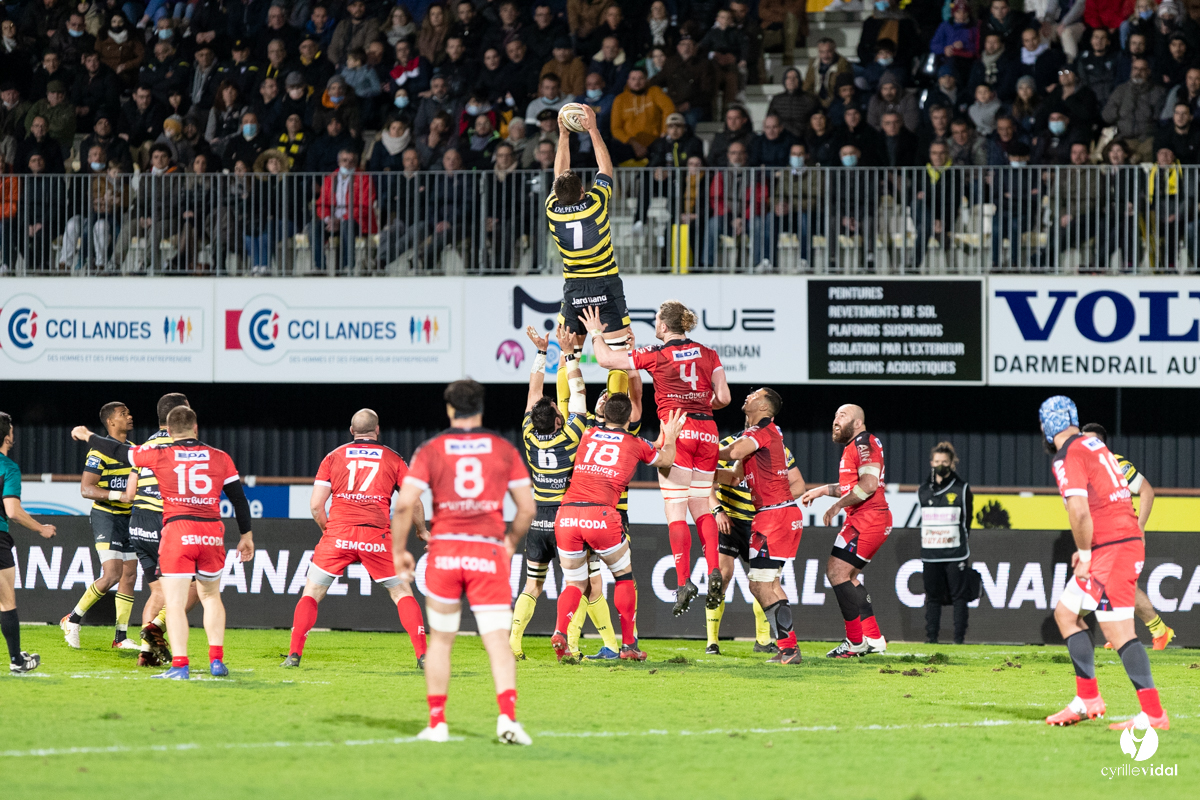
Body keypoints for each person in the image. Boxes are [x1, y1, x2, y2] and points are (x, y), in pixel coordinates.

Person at [392, 379, 535, 745]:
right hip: (485, 552)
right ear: (481, 407)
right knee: (497, 641)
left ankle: (437, 723)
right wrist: (509, 543)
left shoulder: (431, 448)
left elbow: (405, 503)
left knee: (440, 641)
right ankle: (507, 719)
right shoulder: (503, 449)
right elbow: (527, 508)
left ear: (450, 409)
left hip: (444, 553)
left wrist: (398, 551)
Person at [70, 405, 255, 679]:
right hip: (211, 533)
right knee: (211, 597)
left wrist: (87, 435)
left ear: (168, 431)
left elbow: (119, 451)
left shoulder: (159, 453)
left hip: (177, 532)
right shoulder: (220, 456)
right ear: (195, 428)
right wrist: (246, 535)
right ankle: (217, 661)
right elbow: (239, 500)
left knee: (175, 603)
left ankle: (180, 665)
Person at [584, 300, 731, 616]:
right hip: (708, 430)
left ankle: (683, 582)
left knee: (675, 511)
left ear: (664, 326)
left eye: (656, 320)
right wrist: (699, 405)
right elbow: (724, 398)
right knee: (702, 505)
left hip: (676, 431)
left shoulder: (657, 353)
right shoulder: (709, 354)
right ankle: (715, 568)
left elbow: (607, 360)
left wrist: (595, 332)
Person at [1039, 396, 1168, 732]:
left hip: (1112, 550)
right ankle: (1088, 700)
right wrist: (1090, 546)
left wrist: (1085, 554)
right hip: (1113, 543)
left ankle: (1154, 714)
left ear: (1047, 426)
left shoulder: (1067, 455)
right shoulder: (1093, 443)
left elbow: (1079, 510)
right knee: (1066, 614)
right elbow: (1107, 500)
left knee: (1118, 631)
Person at [282, 409, 428, 669]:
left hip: (338, 533)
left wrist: (331, 531)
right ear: (377, 430)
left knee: (312, 592)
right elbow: (412, 501)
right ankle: (423, 656)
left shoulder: (333, 457)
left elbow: (316, 505)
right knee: (401, 592)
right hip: (376, 535)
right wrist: (422, 530)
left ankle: (294, 655)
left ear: (352, 431)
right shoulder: (393, 459)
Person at [510, 325, 622, 661]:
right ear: (558, 421)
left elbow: (534, 394)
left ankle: (513, 643)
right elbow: (578, 391)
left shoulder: (529, 433)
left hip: (536, 519)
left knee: (533, 585)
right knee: (584, 586)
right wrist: (568, 353)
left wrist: (542, 353)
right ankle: (576, 645)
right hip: (567, 521)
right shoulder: (570, 435)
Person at [550, 398, 685, 664]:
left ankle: (560, 632)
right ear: (630, 417)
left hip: (567, 515)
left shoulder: (588, 434)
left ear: (604, 413)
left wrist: (660, 440)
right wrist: (671, 437)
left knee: (576, 583)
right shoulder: (634, 444)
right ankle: (629, 645)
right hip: (601, 515)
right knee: (623, 577)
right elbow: (666, 458)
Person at [712, 389, 805, 663]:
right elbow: (732, 477)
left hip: (773, 517)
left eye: (754, 395)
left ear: (765, 406)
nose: (748, 396)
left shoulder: (761, 430)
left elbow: (733, 452)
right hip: (781, 515)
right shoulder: (765, 434)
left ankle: (788, 648)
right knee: (770, 584)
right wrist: (697, 471)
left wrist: (700, 451)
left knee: (759, 586)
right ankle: (789, 648)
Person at [547, 103, 631, 403]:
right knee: (619, 355)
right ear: (583, 191)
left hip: (575, 288)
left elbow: (561, 174)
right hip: (605, 283)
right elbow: (605, 169)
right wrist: (593, 128)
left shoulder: (553, 210)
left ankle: (568, 413)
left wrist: (563, 135)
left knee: (569, 355)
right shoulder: (595, 204)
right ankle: (617, 422)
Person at [800, 404, 890, 658]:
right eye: (834, 415)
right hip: (867, 518)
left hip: (868, 519)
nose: (835, 420)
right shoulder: (855, 446)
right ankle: (873, 638)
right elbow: (853, 486)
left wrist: (837, 505)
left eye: (843, 415)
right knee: (848, 577)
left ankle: (855, 642)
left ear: (858, 422)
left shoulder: (864, 442)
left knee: (836, 572)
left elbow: (869, 485)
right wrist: (821, 491)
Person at [1082, 423, 1175, 651]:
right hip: (1103, 538)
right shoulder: (1084, 470)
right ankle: (1123, 632)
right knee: (1109, 586)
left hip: (1123, 536)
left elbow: (1146, 491)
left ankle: (1157, 630)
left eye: (1091, 441)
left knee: (1115, 584)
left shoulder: (1117, 464)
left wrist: (1140, 527)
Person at [60, 402, 139, 650]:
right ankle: (72, 620)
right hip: (107, 516)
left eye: (128, 412)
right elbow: (86, 489)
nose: (129, 416)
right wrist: (120, 496)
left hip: (130, 518)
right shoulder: (98, 452)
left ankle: (120, 637)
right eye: (123, 414)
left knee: (130, 575)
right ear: (111, 422)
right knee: (113, 574)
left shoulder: (134, 451)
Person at [126, 392, 196, 667]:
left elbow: (130, 493)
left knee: (158, 592)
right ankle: (155, 629)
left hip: (138, 523)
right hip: (163, 522)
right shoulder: (182, 444)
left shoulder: (144, 446)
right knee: (197, 586)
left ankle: (146, 653)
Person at [1, 411, 56, 674]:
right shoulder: (8, 468)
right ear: (7, 436)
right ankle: (17, 661)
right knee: (5, 602)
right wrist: (41, 528)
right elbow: (12, 510)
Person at [919, 442, 974, 645]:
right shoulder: (923, 490)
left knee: (959, 597)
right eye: (937, 461)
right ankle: (931, 639)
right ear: (931, 463)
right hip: (930, 554)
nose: (940, 465)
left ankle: (959, 640)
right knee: (932, 598)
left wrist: (958, 541)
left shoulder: (962, 488)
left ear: (952, 463)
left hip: (955, 553)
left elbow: (967, 522)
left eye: (945, 462)